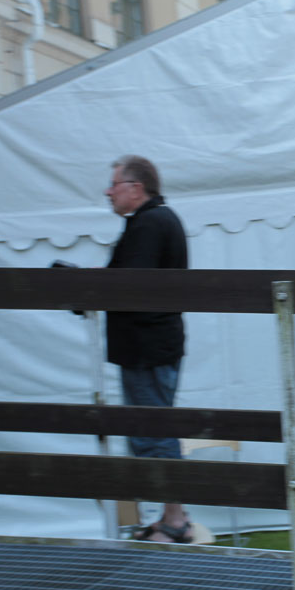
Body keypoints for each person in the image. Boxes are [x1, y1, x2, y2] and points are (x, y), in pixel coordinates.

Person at [105, 155, 192, 544]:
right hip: (152, 346)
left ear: (135, 188)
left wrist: (96, 285)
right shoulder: (156, 220)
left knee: (154, 432)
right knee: (154, 429)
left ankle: (175, 519)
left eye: (114, 184)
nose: (108, 192)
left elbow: (131, 287)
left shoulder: (149, 223)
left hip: (146, 348)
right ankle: (172, 515)